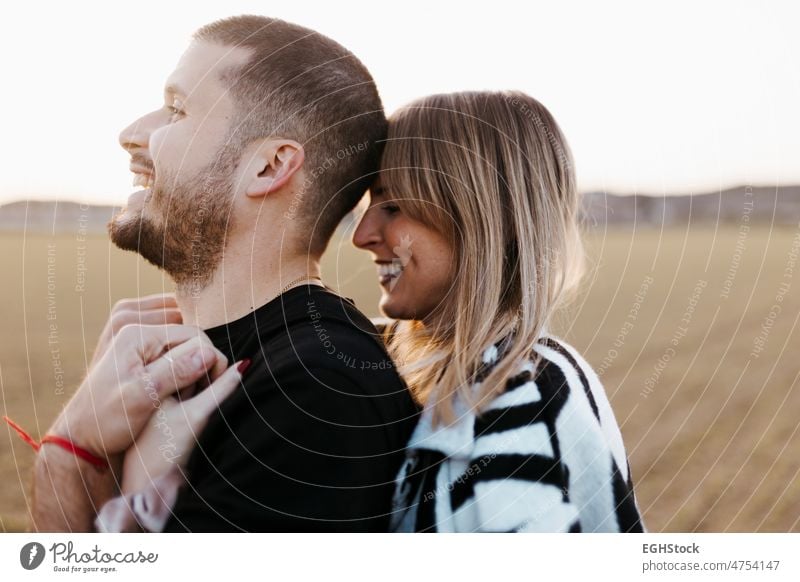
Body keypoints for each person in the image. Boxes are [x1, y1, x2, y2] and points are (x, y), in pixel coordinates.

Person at [119, 90, 645, 532]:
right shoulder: (441, 365)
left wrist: (131, 495)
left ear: (480, 219)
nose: (365, 235)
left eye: (394, 206)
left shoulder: (516, 410)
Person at [30, 15, 419, 532]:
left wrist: (69, 452)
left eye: (176, 109)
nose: (131, 135)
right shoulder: (194, 361)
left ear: (269, 167)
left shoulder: (315, 394)